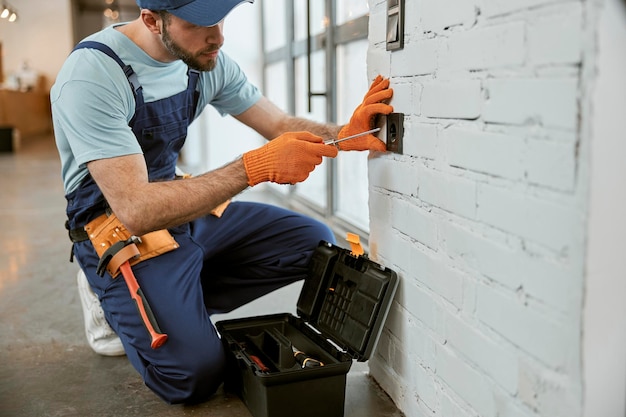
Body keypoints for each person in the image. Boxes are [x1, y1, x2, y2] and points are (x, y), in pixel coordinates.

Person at [51, 0, 393, 405]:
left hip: (180, 206)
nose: (217, 36)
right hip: (119, 225)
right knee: (192, 376)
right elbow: (136, 208)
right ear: (151, 20)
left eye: (220, 19)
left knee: (313, 243)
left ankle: (174, 301)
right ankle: (109, 299)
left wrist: (344, 132)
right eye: (199, 24)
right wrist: (253, 168)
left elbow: (279, 124)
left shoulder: (202, 58)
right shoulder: (93, 75)